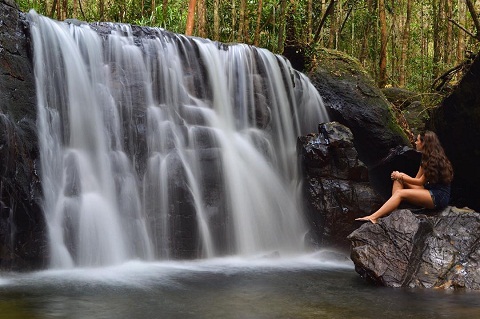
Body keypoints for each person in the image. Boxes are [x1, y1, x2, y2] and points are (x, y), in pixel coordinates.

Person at [355, 131, 453, 224]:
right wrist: (400, 176)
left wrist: (401, 175)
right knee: (398, 180)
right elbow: (415, 180)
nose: (415, 142)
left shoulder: (434, 160)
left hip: (438, 197)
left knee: (400, 192)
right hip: (428, 190)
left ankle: (373, 217)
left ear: (424, 143)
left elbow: (419, 182)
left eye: (417, 140)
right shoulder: (425, 158)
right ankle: (393, 210)